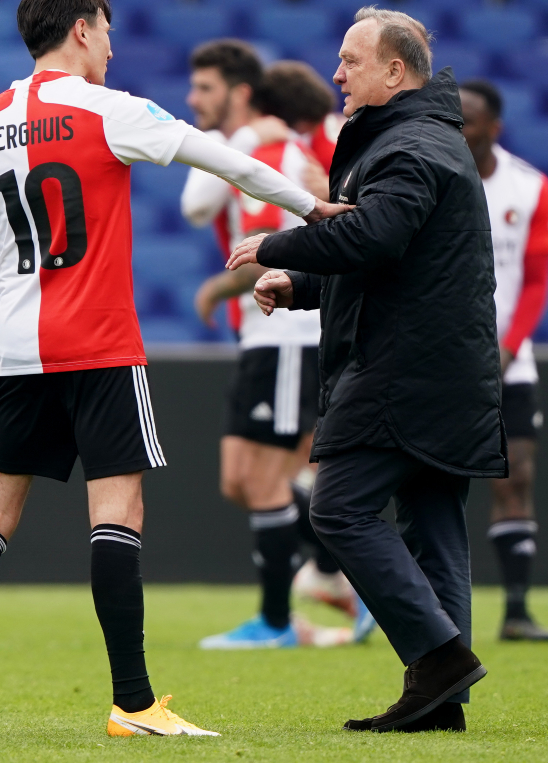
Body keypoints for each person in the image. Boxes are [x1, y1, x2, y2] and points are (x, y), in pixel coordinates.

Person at [0, 0, 346, 739]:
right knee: (118, 514)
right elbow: (226, 161)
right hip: (101, 348)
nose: (112, 43)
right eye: (105, 29)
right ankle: (133, 704)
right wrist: (315, 208)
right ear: (79, 31)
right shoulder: (112, 111)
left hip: (20, 354)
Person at [226, 7, 506, 734]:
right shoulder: (424, 141)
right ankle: (442, 697)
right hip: (447, 367)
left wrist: (278, 246)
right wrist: (303, 287)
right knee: (433, 524)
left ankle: (439, 658)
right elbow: (394, 263)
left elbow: (377, 235)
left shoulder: (408, 146)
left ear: (396, 71)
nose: (336, 74)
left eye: (351, 60)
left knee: (338, 506)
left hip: (403, 369)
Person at [178, 44, 363, 649]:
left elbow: (267, 241)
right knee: (241, 479)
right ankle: (339, 579)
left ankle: (288, 618)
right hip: (262, 338)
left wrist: (220, 284)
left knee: (266, 481)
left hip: (286, 334)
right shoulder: (253, 149)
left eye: (205, 89)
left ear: (242, 94)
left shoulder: (276, 150)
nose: (193, 100)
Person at [459, 79, 548, 642]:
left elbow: (538, 279)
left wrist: (510, 343)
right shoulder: (432, 175)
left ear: (494, 127)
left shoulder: (529, 187)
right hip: (443, 359)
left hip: (507, 361)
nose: (459, 129)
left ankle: (517, 610)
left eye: (469, 120)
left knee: (514, 475)